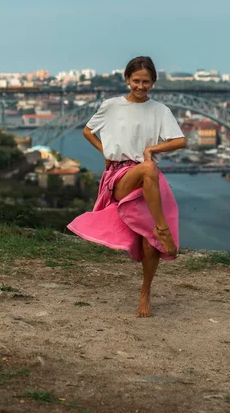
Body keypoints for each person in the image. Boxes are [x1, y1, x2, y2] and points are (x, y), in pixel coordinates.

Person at [67, 56, 186, 317]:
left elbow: (179, 141)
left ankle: (145, 292)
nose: (140, 86)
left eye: (146, 82)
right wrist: (105, 152)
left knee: (149, 243)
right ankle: (163, 229)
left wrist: (152, 148)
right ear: (126, 80)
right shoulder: (111, 106)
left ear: (153, 82)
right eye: (136, 81)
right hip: (120, 175)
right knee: (148, 168)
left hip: (149, 181)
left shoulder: (160, 110)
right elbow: (88, 131)